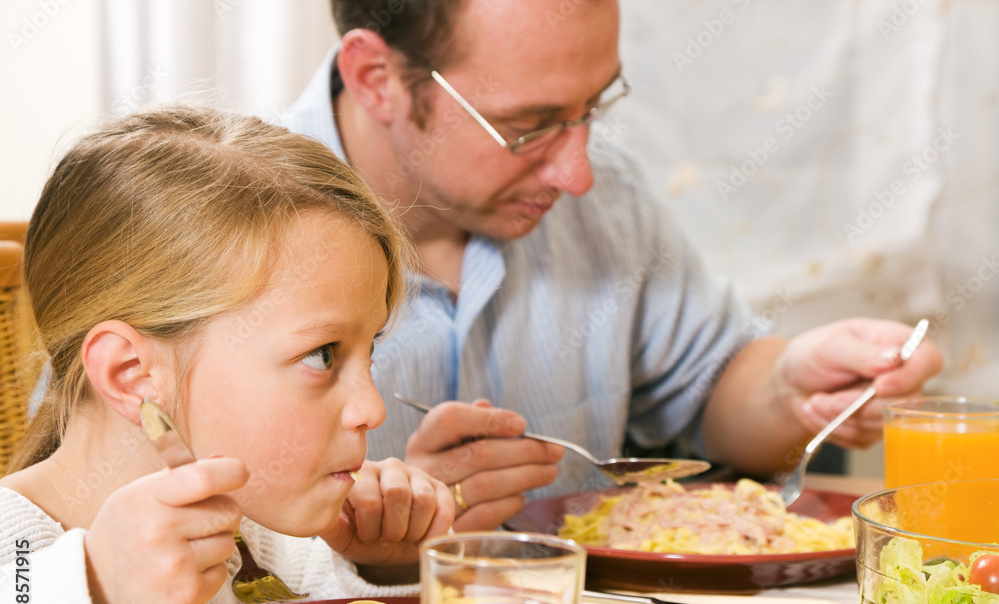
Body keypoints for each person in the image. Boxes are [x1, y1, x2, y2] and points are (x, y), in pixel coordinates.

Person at [283, 0, 943, 531]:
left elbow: (710, 391)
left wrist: (792, 389)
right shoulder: (228, 229)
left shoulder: (610, 202)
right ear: (377, 78)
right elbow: (215, 561)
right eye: (530, 126)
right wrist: (376, 535)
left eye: (594, 106)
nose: (577, 173)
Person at [0, 105, 454, 604]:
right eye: (323, 355)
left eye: (368, 351)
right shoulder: (15, 550)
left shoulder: (257, 533)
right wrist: (96, 595)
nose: (371, 408)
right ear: (133, 374)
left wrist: (381, 564)